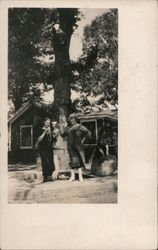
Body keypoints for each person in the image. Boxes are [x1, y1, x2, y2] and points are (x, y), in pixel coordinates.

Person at [67, 114, 91, 182]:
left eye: (73, 119)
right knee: (72, 162)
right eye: (70, 119)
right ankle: (72, 177)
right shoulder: (69, 128)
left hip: (78, 147)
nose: (72, 120)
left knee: (79, 162)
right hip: (70, 147)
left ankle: (80, 177)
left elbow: (88, 132)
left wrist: (84, 139)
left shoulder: (79, 126)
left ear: (75, 119)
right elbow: (63, 134)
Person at [38, 118, 55, 182]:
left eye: (49, 122)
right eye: (47, 122)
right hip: (43, 149)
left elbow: (52, 139)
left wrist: (54, 133)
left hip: (49, 148)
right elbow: (39, 139)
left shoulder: (51, 129)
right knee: (45, 162)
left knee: (51, 162)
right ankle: (45, 177)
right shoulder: (41, 129)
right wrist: (44, 132)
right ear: (44, 122)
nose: (48, 124)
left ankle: (50, 176)